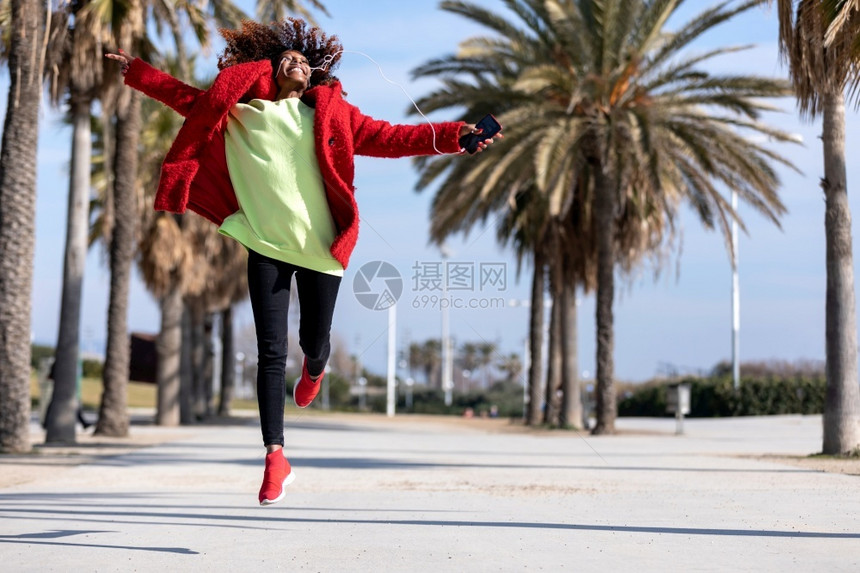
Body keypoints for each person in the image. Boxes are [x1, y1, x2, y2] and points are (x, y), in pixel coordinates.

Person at [106, 18, 502, 506]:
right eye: (286, 58)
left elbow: (392, 136)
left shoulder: (331, 116)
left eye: (304, 60)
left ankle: (316, 368)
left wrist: (456, 135)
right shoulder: (237, 111)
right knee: (270, 352)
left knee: (314, 341)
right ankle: (275, 456)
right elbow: (183, 97)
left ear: (313, 76)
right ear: (268, 69)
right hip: (264, 243)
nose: (297, 62)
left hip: (320, 250)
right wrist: (138, 72)